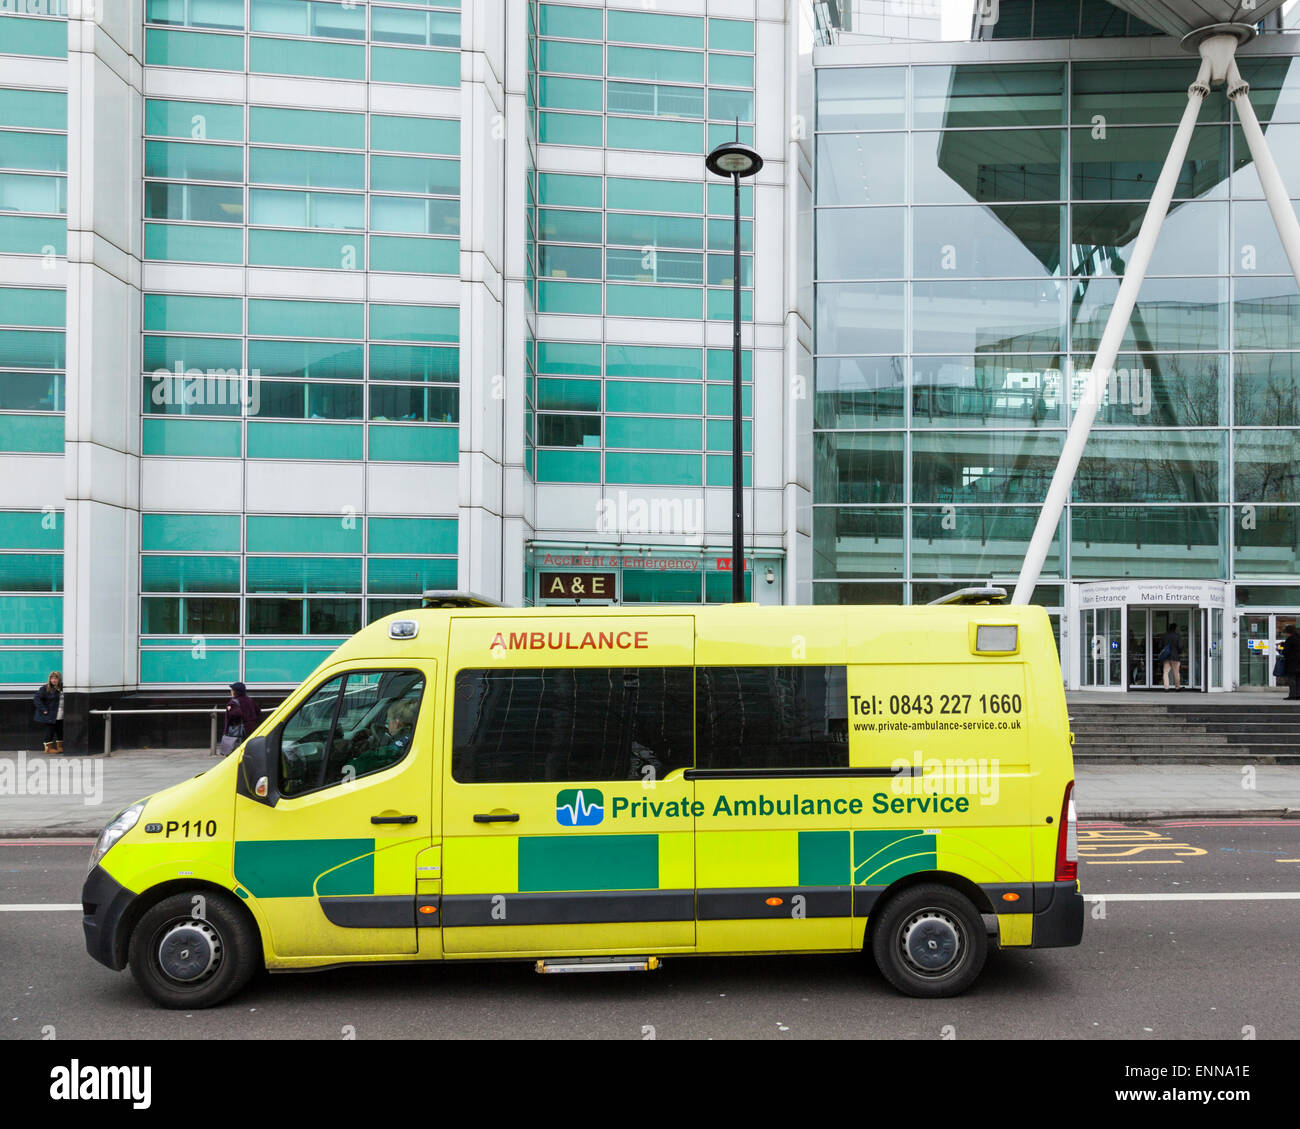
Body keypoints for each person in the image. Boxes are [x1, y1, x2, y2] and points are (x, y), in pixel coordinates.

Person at [342, 699, 417, 780]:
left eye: (389, 720)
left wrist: (349, 765)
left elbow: (381, 757)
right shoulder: (411, 735)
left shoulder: (400, 744)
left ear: (397, 722)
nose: (388, 725)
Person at [223, 682, 261, 751]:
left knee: (237, 751)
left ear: (235, 692)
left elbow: (234, 715)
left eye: (232, 690)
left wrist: (226, 731)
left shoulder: (232, 703)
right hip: (251, 729)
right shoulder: (250, 700)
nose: (230, 691)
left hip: (239, 732)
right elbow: (258, 711)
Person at [33, 670, 63, 754]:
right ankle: (48, 749)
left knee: (60, 730)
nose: (53, 680)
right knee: (50, 731)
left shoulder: (62, 688)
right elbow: (36, 699)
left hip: (61, 713)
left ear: (59, 679)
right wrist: (44, 709)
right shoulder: (45, 688)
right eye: (52, 678)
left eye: (55, 678)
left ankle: (60, 747)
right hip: (51, 714)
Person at [1158, 623, 1182, 690]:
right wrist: (1179, 652)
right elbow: (1180, 647)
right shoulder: (1177, 636)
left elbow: (1160, 646)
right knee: (1176, 673)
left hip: (1166, 657)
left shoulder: (1164, 636)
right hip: (1175, 657)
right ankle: (1177, 687)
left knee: (1165, 672)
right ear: (1175, 628)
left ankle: (1166, 687)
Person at [1283, 625, 1300, 701]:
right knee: (1298, 680)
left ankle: (1292, 695)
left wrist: (1281, 648)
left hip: (1292, 663)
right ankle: (1298, 695)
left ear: (1288, 632)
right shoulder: (1298, 638)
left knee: (1292, 679)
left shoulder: (1290, 639)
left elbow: (1285, 652)